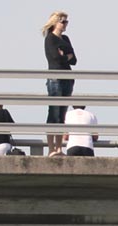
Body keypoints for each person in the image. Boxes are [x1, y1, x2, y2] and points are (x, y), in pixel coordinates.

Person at [41, 11, 76, 155]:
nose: (66, 24)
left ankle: (59, 148)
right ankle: (51, 148)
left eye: (66, 21)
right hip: (55, 79)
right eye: (63, 22)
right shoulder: (50, 38)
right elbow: (55, 58)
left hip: (67, 78)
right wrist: (66, 56)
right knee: (53, 114)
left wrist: (65, 55)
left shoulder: (65, 39)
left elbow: (74, 60)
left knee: (62, 115)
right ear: (55, 23)